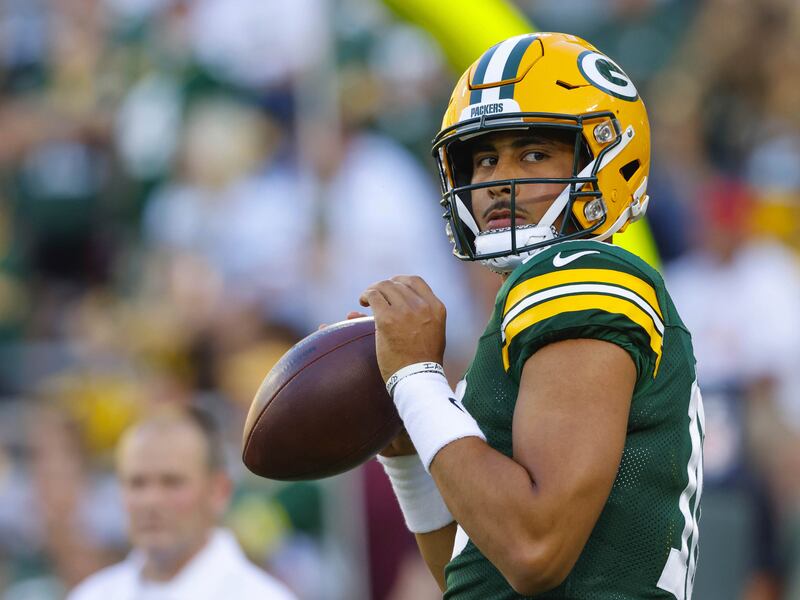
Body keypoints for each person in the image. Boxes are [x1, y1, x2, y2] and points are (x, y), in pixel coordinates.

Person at [361, 32, 704, 598]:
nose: (497, 180)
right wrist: (405, 444)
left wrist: (417, 376)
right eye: (485, 158)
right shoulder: (551, 289)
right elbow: (475, 569)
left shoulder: (580, 273)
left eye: (534, 153)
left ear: (607, 160)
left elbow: (533, 549)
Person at [67, 407, 296, 600]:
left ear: (218, 491)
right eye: (137, 483)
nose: (151, 501)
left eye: (172, 483)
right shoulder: (92, 594)